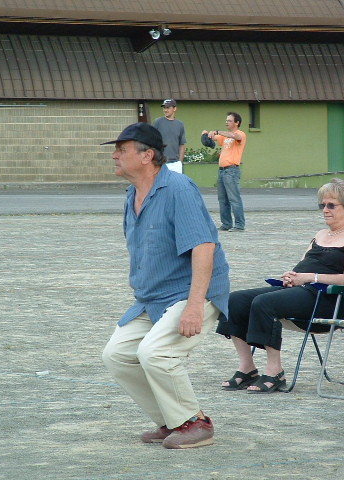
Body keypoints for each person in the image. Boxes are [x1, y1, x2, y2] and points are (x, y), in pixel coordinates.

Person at [100, 123, 230, 449]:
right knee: (117, 354)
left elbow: (204, 247)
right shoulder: (133, 194)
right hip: (153, 298)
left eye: (123, 149)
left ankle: (194, 424)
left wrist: (194, 306)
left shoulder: (178, 189)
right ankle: (171, 421)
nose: (115, 155)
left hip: (193, 292)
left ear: (147, 156)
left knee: (155, 352)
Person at [216, 178, 344, 393]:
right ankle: (247, 367)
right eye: (322, 205)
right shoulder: (320, 235)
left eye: (331, 205)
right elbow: (305, 263)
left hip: (326, 299)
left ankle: (275, 371)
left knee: (264, 303)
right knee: (234, 300)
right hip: (300, 290)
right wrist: (292, 275)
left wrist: (309, 278)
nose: (325, 209)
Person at [202, 112, 247, 232]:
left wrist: (217, 131)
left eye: (230, 120)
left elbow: (236, 137)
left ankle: (239, 224)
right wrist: (207, 134)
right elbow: (214, 138)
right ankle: (226, 224)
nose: (227, 122)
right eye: (226, 120)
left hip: (232, 170)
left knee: (234, 198)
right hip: (222, 171)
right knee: (222, 199)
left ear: (237, 123)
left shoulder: (240, 134)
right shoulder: (225, 137)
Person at [153, 99, 186, 174]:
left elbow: (182, 144)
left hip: (175, 164)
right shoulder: (158, 122)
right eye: (164, 108)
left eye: (168, 108)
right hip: (160, 163)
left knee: (176, 185)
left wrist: (180, 162)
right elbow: (152, 141)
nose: (165, 110)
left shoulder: (180, 124)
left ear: (174, 109)